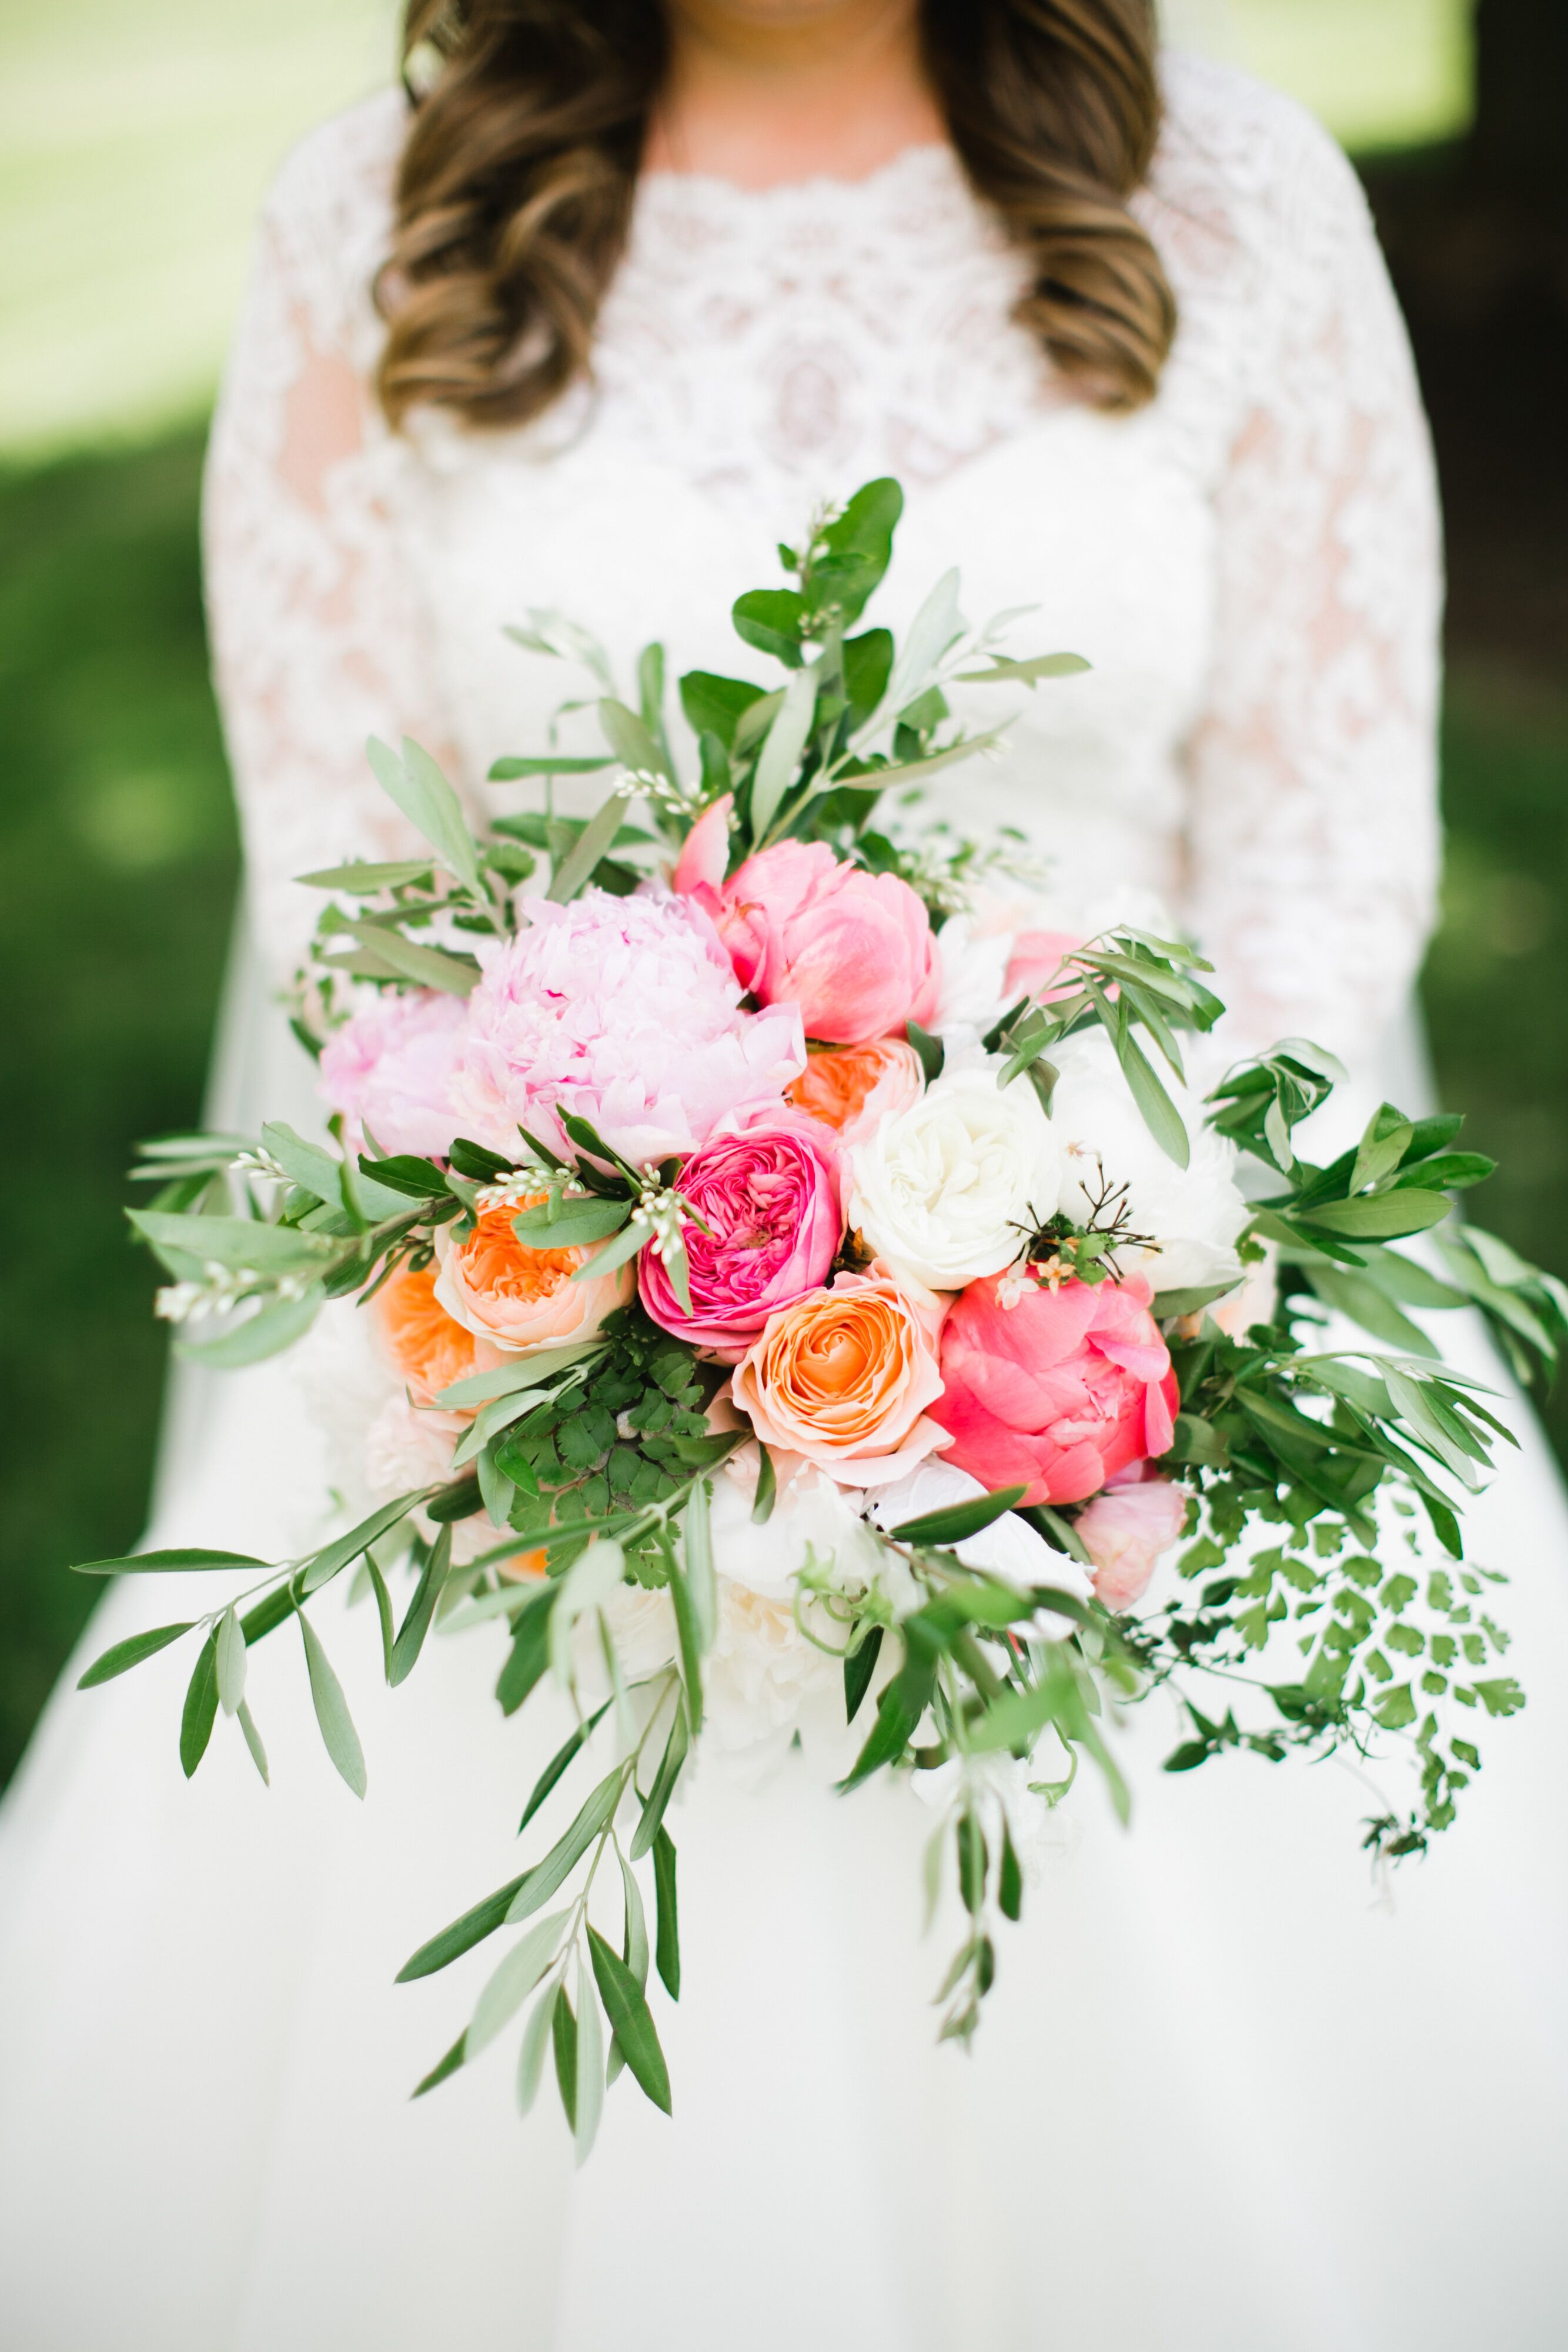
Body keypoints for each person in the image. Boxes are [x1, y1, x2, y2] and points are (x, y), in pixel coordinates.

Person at [3, 4, 1566, 2346]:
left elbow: (1321, 865)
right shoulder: (382, 218)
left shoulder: (1231, 199)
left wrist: (1080, 1269)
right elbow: (354, 899)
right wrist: (617, 1304)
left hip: (1130, 1358)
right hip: (545, 1376)